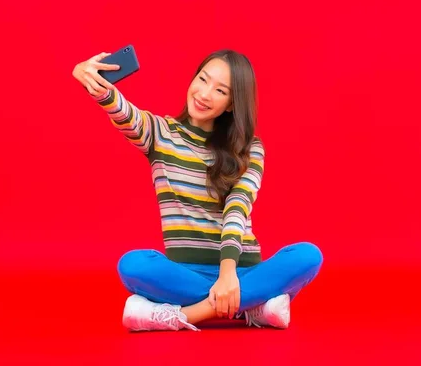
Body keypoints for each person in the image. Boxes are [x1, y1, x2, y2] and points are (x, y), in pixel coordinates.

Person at [71, 49, 323, 332]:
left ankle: (181, 316)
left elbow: (238, 207)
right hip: (185, 272)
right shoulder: (160, 133)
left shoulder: (250, 147)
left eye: (220, 90)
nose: (204, 94)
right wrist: (92, 82)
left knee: (308, 256)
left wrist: (228, 275)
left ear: (231, 104)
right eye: (202, 79)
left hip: (241, 271)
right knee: (133, 265)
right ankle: (250, 308)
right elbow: (124, 112)